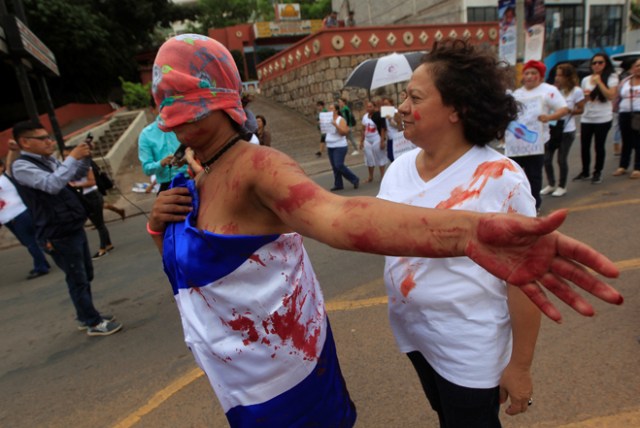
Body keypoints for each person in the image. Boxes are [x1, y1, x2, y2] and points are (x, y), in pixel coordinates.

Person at [147, 34, 623, 428]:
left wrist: (468, 237)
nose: (401, 106)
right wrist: (159, 224)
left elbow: (340, 218)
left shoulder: (259, 169)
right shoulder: (194, 173)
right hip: (407, 339)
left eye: (415, 97)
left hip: (315, 376)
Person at [379, 39, 545, 428]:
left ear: (457, 110)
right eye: (404, 96)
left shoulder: (500, 178)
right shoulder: (399, 168)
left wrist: (520, 367)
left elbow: (525, 278)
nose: (402, 107)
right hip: (416, 338)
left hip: (469, 347)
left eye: (415, 98)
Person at [11, 122, 122, 336]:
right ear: (25, 142)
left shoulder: (48, 160)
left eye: (49, 137)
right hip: (56, 231)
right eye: (42, 138)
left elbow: (72, 176)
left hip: (71, 225)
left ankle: (85, 314)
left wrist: (85, 157)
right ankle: (92, 321)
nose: (49, 142)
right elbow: (52, 184)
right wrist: (72, 157)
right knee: (77, 277)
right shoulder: (22, 166)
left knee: (85, 273)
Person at [506, 60, 569, 210]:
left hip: (537, 143)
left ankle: (534, 205)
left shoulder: (548, 90)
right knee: (514, 174)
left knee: (534, 175)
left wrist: (548, 117)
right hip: (516, 143)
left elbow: (563, 109)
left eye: (533, 73)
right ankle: (515, 204)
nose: (529, 76)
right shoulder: (517, 93)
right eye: (527, 73)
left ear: (540, 76)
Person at [0, 158, 51, 279]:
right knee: (31, 241)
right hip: (12, 217)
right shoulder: (6, 178)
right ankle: (43, 261)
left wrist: (12, 151)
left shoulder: (5, 178)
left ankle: (41, 266)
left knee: (31, 242)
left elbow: (9, 162)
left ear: (1, 167)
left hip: (18, 215)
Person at [540, 63, 585, 197]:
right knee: (547, 158)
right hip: (553, 129)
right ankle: (551, 183)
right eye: (556, 75)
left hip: (567, 129)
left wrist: (568, 111)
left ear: (568, 77)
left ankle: (562, 185)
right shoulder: (553, 91)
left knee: (561, 159)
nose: (557, 78)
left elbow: (581, 109)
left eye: (561, 75)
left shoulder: (576, 91)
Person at [64, 146, 116, 260]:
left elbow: (92, 182)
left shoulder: (84, 166)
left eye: (68, 155)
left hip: (91, 196)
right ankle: (108, 244)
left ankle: (103, 248)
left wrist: (76, 185)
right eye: (65, 156)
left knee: (99, 224)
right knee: (97, 223)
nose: (66, 158)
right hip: (82, 197)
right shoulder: (67, 169)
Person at [574, 53, 618, 184]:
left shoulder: (611, 77)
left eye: (600, 63)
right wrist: (585, 97)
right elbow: (583, 99)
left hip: (603, 118)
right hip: (587, 117)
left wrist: (599, 82)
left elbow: (611, 95)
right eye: (594, 63)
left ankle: (597, 171)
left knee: (599, 146)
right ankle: (585, 171)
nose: (597, 65)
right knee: (584, 146)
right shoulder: (586, 79)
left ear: (606, 64)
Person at [138, 116, 189, 192]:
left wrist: (185, 160)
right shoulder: (146, 134)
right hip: (166, 186)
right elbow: (147, 169)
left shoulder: (185, 124)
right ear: (153, 109)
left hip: (190, 179)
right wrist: (161, 163)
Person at [612, 58, 640, 179]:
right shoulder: (625, 81)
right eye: (637, 66)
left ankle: (637, 167)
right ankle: (623, 166)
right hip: (624, 113)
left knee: (638, 141)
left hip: (638, 114)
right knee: (626, 140)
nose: (638, 68)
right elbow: (618, 96)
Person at [325, 103, 360, 191]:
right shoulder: (327, 119)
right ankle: (338, 184)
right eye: (329, 109)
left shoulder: (341, 120)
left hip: (339, 146)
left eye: (331, 109)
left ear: (336, 110)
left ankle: (354, 179)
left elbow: (343, 133)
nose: (329, 110)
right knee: (334, 166)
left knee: (339, 164)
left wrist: (335, 125)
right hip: (330, 145)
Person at [360, 99, 388, 182]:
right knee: (369, 158)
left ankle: (383, 176)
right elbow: (363, 129)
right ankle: (370, 176)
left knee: (380, 157)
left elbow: (383, 128)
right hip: (367, 140)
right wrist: (361, 141)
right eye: (367, 107)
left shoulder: (378, 115)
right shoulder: (365, 117)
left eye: (370, 106)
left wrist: (382, 141)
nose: (368, 108)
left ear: (374, 107)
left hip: (377, 138)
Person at [382, 97, 402, 162]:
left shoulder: (395, 112)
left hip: (396, 138)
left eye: (387, 104)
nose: (385, 106)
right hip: (390, 138)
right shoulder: (386, 112)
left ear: (391, 104)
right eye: (384, 104)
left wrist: (390, 119)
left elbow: (399, 126)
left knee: (395, 157)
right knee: (390, 156)